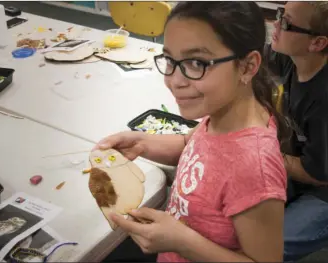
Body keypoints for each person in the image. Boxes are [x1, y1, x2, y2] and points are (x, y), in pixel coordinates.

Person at [97, 2, 289, 262]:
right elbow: (196, 145)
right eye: (169, 60)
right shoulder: (224, 110)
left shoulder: (254, 166)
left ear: (247, 66)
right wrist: (143, 143)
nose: (174, 80)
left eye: (197, 62)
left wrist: (183, 242)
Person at [264, 2, 328, 261]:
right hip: (302, 167)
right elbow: (246, 56)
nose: (276, 25)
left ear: (317, 43)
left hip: (321, 187)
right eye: (280, 14)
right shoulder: (291, 56)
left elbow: (319, 174)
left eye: (287, 22)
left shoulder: (324, 98)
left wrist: (265, 149)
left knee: (266, 247)